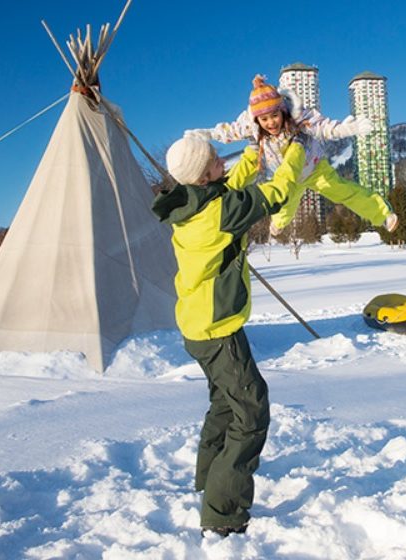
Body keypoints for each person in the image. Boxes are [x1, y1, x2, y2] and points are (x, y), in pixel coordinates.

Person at [152, 135, 304, 536]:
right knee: (252, 411)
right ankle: (222, 512)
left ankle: (208, 480)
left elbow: (232, 182)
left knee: (224, 405)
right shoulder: (219, 213)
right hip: (219, 332)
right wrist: (298, 153)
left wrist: (255, 147)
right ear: (203, 175)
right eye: (215, 159)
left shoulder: (192, 202)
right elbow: (275, 192)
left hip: (198, 326)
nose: (223, 160)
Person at [185, 75, 398, 235]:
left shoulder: (298, 117)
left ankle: (382, 214)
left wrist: (346, 129)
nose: (271, 123)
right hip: (286, 174)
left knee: (344, 191)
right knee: (285, 203)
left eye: (275, 116)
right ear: (257, 120)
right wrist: (208, 134)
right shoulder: (250, 125)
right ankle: (278, 223)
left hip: (314, 168)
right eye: (265, 119)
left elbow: (322, 127)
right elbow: (229, 131)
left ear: (282, 111)